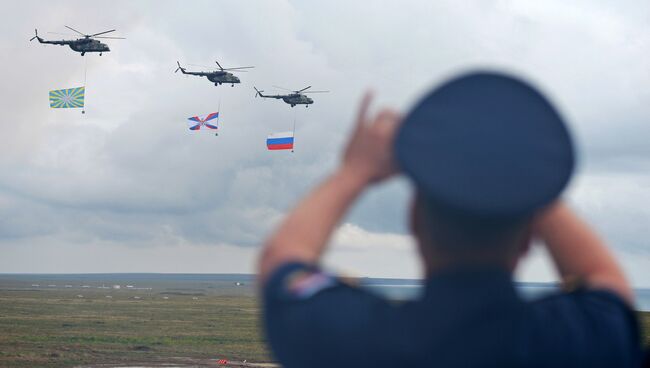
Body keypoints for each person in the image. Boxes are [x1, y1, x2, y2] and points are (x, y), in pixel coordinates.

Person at [258, 72, 642, 368]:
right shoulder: (579, 341)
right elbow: (605, 278)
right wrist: (522, 175)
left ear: (414, 220)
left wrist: (353, 172)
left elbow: (281, 257)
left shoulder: (354, 338)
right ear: (529, 237)